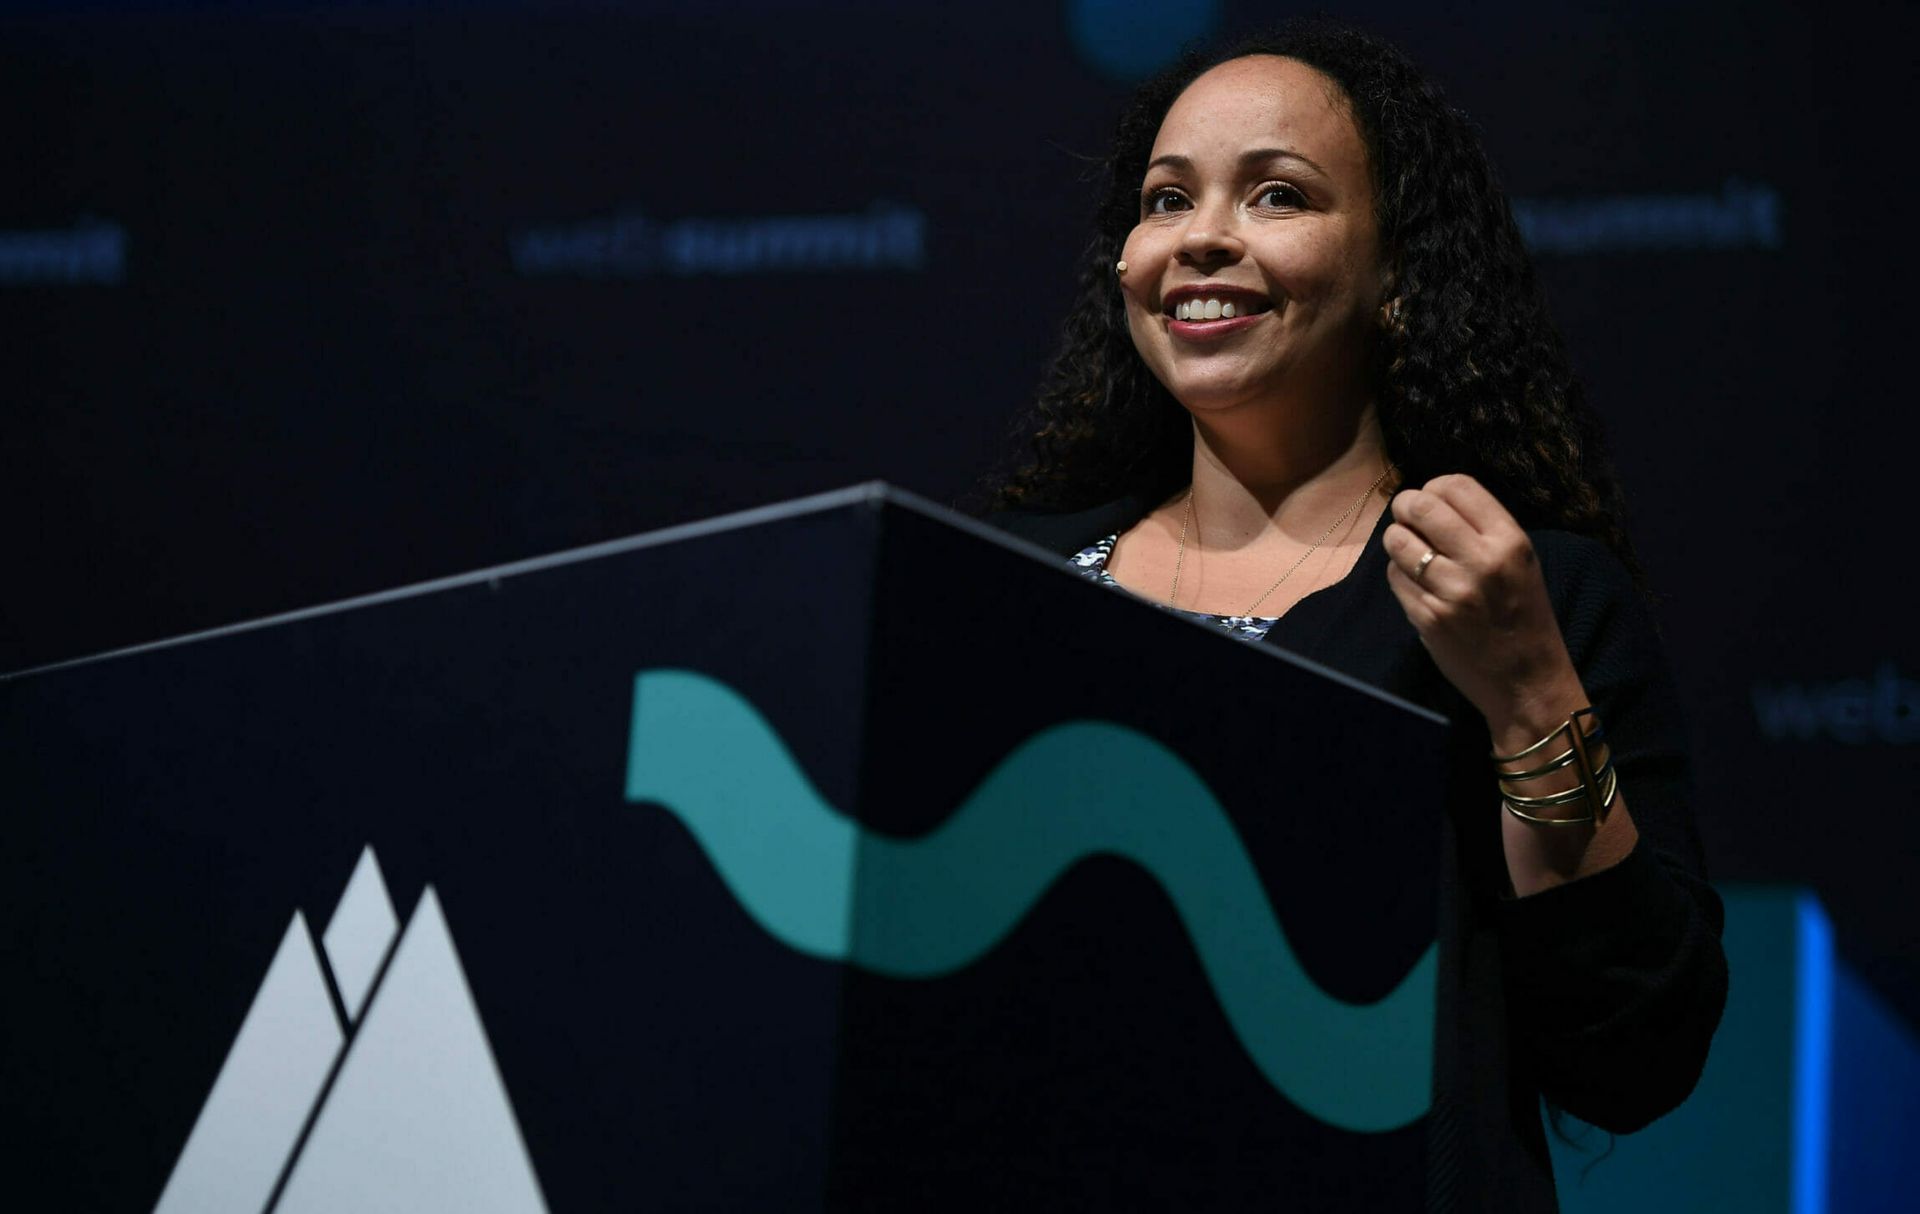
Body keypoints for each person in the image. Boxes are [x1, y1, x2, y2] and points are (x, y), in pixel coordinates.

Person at [989, 18, 1727, 1210]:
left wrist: (1530, 692)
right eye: (1166, 199)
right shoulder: (1005, 588)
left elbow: (1636, 1053)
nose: (1203, 239)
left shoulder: (1520, 597)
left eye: (1277, 195)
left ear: (1396, 279)